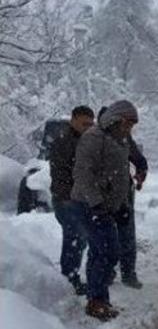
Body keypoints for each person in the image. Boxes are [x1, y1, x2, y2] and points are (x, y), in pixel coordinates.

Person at [72, 100, 139, 321]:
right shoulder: (93, 138)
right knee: (103, 251)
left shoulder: (119, 139)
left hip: (108, 206)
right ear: (116, 119)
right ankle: (96, 301)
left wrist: (122, 207)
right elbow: (83, 174)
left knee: (108, 252)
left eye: (131, 126)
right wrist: (97, 204)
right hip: (88, 205)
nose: (129, 130)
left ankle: (100, 297)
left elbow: (119, 176)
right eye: (127, 124)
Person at [96, 106, 147, 289]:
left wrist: (141, 172)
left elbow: (138, 159)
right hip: (102, 196)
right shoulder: (94, 140)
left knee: (126, 234)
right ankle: (107, 272)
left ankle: (128, 273)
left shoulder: (124, 138)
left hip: (124, 193)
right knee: (105, 236)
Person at [49, 106, 95, 295]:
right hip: (67, 199)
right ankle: (69, 278)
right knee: (75, 238)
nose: (88, 127)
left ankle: (71, 276)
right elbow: (63, 174)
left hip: (80, 199)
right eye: (84, 124)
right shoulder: (64, 142)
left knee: (79, 239)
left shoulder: (85, 141)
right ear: (73, 120)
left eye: (90, 124)